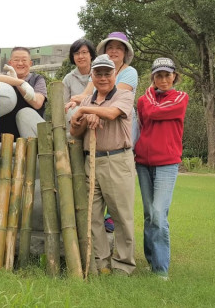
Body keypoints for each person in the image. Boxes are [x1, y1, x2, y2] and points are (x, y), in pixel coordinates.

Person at [69, 54, 136, 276]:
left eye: (108, 73)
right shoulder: (88, 100)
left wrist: (86, 111)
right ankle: (101, 263)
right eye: (99, 73)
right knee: (93, 216)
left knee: (120, 215)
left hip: (117, 160)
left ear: (115, 75)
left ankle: (123, 265)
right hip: (92, 160)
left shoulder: (124, 95)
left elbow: (111, 113)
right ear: (93, 76)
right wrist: (82, 119)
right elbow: (75, 132)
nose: (104, 77)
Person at [134, 57, 188, 280]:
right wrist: (147, 98)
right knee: (148, 214)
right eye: (159, 75)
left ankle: (161, 270)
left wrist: (149, 98)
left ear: (174, 76)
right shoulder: (142, 100)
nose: (164, 79)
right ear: (153, 77)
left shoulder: (180, 98)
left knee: (158, 213)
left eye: (167, 75)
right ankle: (151, 260)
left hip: (167, 162)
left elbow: (155, 112)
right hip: (143, 162)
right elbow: (142, 121)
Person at [0, 47, 47, 139]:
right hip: (6, 139)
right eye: (16, 60)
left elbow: (37, 103)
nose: (20, 63)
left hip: (33, 138)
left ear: (30, 63)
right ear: (10, 63)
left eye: (24, 60)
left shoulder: (37, 79)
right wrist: (20, 82)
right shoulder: (4, 79)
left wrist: (19, 85)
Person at [63, 38, 97, 105]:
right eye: (77, 53)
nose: (80, 56)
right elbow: (64, 105)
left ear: (91, 55)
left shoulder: (100, 74)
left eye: (84, 52)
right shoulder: (68, 79)